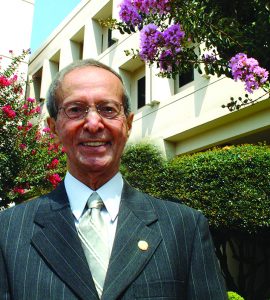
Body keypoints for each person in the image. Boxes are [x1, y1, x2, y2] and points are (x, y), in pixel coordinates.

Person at [0, 59, 228, 299]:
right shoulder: (8, 232)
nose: (94, 123)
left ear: (128, 125)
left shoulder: (184, 228)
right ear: (53, 128)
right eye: (75, 109)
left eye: (108, 109)